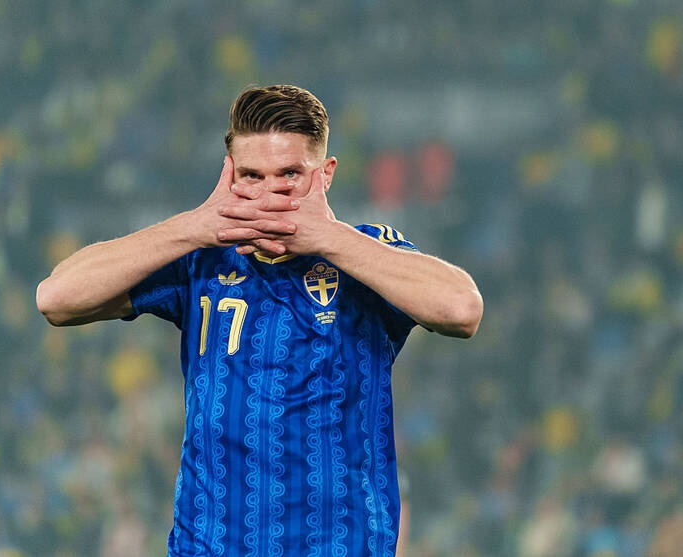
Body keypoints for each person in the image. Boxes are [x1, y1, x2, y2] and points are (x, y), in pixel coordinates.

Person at [36, 84, 483, 556]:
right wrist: (193, 225)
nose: (269, 193)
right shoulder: (202, 259)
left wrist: (329, 238)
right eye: (251, 176)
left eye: (290, 174)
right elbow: (56, 299)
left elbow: (461, 309)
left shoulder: (365, 254)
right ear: (230, 177)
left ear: (325, 174)